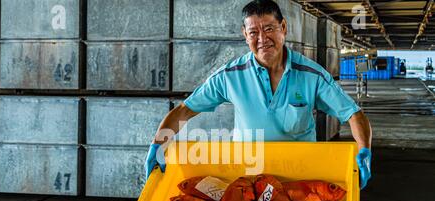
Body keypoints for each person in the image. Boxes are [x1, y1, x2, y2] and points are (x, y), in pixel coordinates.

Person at [145, 0, 372, 190]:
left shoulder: (311, 75)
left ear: (283, 27)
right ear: (245, 35)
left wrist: (364, 150)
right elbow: (185, 110)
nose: (262, 39)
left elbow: (353, 114)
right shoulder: (230, 76)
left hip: (299, 180)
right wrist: (157, 145)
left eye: (269, 28)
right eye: (253, 32)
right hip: (247, 179)